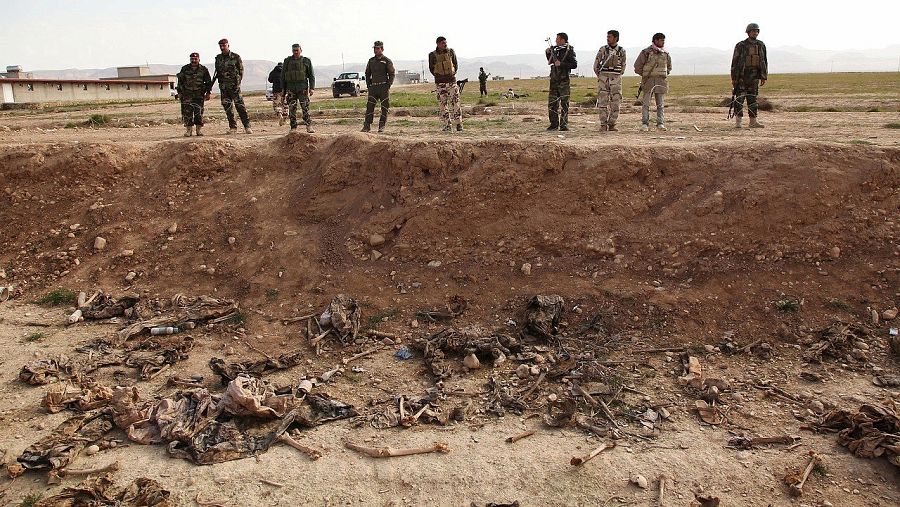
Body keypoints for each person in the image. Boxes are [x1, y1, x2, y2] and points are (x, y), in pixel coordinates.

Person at [731, 23, 768, 128]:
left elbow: (764, 61)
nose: (755, 33)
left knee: (752, 100)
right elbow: (734, 62)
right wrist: (734, 78)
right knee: (739, 99)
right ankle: (738, 123)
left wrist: (763, 76)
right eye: (753, 31)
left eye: (756, 31)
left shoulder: (761, 45)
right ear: (748, 32)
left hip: (754, 77)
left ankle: (753, 122)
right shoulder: (741, 45)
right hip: (742, 77)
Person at [634, 33, 672, 131]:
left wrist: (662, 74)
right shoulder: (646, 52)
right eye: (661, 40)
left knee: (660, 105)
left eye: (663, 40)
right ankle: (645, 124)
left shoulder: (665, 54)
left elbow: (669, 67)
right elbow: (637, 66)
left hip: (661, 81)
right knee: (646, 104)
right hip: (648, 81)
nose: (663, 42)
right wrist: (646, 75)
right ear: (655, 40)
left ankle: (660, 123)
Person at [214, 38, 252, 134]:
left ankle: (247, 126)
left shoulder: (235, 57)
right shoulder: (218, 58)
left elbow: (241, 71)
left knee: (240, 107)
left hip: (234, 87)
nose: (222, 47)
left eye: (224, 45)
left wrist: (237, 83)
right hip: (224, 88)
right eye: (220, 46)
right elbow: (217, 72)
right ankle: (233, 127)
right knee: (228, 108)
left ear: (228, 45)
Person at [593, 30, 626, 132]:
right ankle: (603, 124)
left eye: (610, 37)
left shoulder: (621, 51)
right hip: (604, 79)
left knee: (616, 102)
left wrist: (617, 75)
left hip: (615, 79)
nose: (608, 39)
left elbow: (623, 65)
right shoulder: (603, 50)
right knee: (603, 102)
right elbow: (596, 64)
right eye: (607, 37)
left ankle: (612, 124)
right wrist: (600, 76)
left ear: (615, 38)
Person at [428, 36, 463, 132]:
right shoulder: (432, 55)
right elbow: (431, 68)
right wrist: (439, 76)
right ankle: (447, 124)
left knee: (456, 103)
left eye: (445, 42)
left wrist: (451, 75)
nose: (445, 44)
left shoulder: (451, 52)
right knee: (442, 105)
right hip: (440, 83)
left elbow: (455, 65)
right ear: (438, 44)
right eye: (443, 43)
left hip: (451, 82)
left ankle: (459, 124)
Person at [545, 32, 577, 131]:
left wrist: (562, 64)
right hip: (554, 80)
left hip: (564, 81)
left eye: (557, 39)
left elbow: (574, 64)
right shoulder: (555, 50)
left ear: (563, 40)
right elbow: (551, 62)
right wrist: (548, 53)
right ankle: (553, 124)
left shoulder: (569, 50)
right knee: (552, 103)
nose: (555, 41)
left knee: (564, 104)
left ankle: (563, 125)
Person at [280, 43, 315, 133]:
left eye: (297, 50)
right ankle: (293, 127)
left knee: (305, 108)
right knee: (292, 109)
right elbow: (283, 76)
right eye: (294, 50)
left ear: (300, 50)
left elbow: (311, 75)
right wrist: (283, 89)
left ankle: (309, 125)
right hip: (291, 88)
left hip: (302, 88)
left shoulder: (306, 61)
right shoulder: (287, 61)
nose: (295, 52)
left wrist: (312, 88)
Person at [175, 52, 211, 137]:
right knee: (187, 113)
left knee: (199, 113)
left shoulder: (203, 69)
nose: (193, 60)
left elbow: (208, 82)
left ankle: (198, 130)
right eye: (192, 59)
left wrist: (208, 92)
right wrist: (179, 92)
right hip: (187, 95)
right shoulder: (185, 69)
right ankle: (189, 131)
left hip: (199, 95)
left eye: (195, 59)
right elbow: (180, 82)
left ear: (199, 59)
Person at [362, 41, 395, 133]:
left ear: (382, 49)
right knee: (369, 107)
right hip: (373, 88)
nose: (375, 50)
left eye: (377, 48)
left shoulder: (387, 61)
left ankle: (381, 126)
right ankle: (367, 126)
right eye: (375, 48)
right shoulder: (371, 61)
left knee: (384, 107)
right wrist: (369, 85)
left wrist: (388, 85)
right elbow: (367, 73)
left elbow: (392, 74)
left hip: (383, 87)